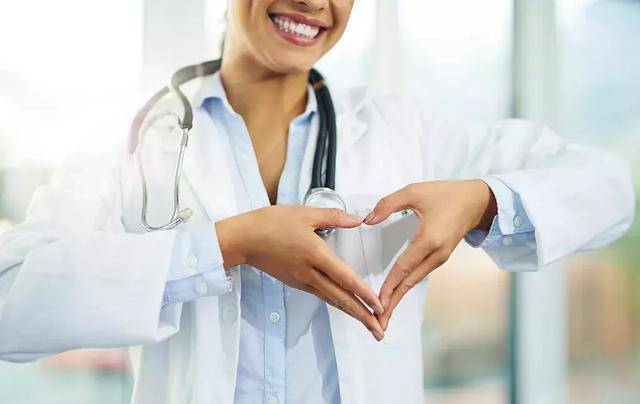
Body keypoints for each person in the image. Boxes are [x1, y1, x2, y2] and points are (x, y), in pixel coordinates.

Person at [0, 0, 635, 403]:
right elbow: (11, 299)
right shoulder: (133, 145)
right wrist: (227, 245)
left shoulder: (402, 131)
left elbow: (607, 188)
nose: (312, 2)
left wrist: (483, 199)